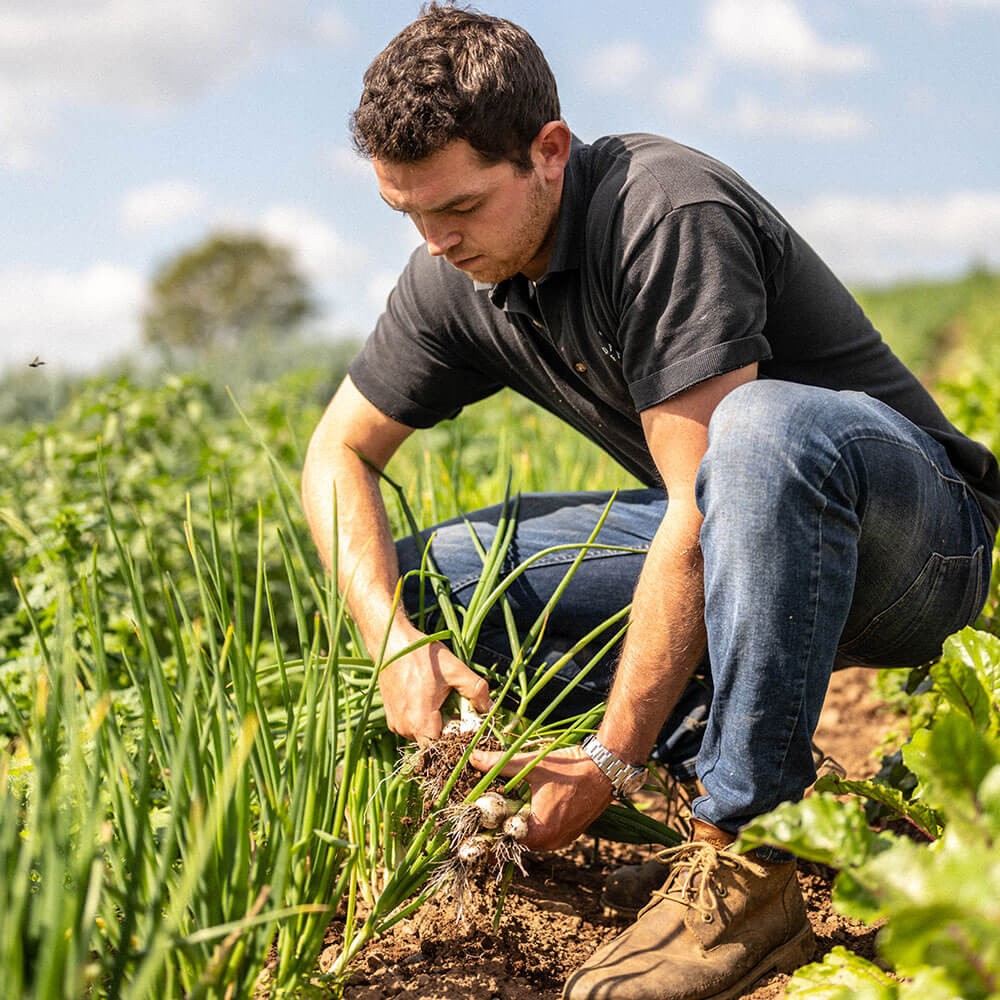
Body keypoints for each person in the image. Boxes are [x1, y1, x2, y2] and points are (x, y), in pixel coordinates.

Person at [301, 5, 1000, 998]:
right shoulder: (449, 276)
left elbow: (702, 507)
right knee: (434, 578)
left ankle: (740, 852)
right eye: (406, 214)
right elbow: (337, 452)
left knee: (758, 431)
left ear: (547, 151)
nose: (434, 240)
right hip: (737, 545)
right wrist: (393, 640)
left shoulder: (662, 211)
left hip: (910, 551)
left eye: (457, 207)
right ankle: (722, 761)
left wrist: (609, 760)